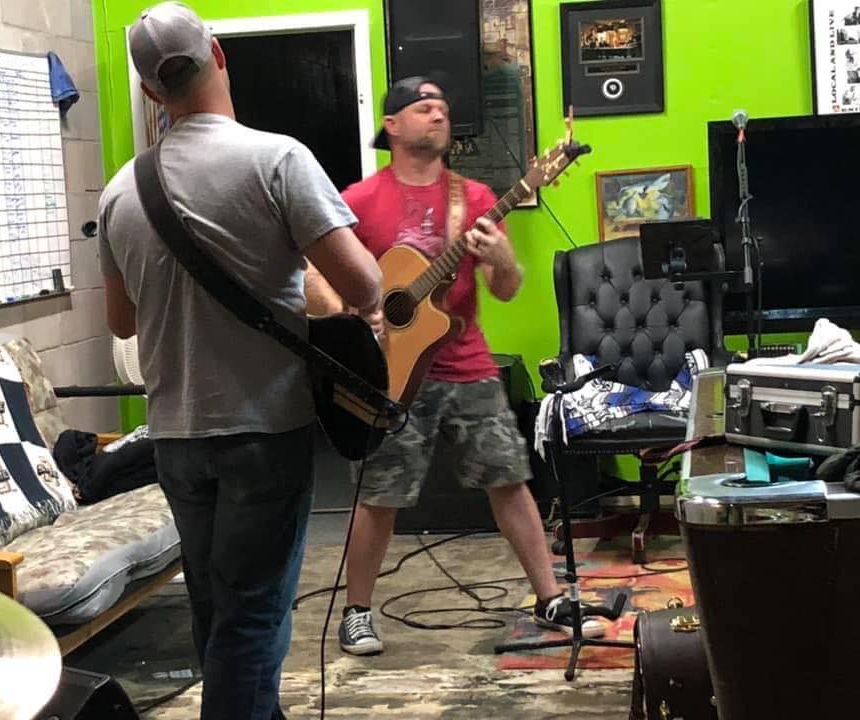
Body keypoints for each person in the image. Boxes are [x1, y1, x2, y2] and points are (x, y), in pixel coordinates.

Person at [97, 3, 382, 718]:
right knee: (253, 622)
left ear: (150, 92)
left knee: (218, 612)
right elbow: (365, 287)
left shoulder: (120, 191)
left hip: (174, 437)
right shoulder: (277, 159)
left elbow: (121, 321)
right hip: (263, 430)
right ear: (218, 55)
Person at [306, 76, 605, 656]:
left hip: (466, 361)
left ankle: (549, 598)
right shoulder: (360, 200)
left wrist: (504, 258)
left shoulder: (476, 197)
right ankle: (357, 612)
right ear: (392, 125)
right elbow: (315, 274)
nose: (438, 114)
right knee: (380, 494)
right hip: (390, 372)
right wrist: (352, 316)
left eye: (442, 107)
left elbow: (506, 288)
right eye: (424, 108)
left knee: (509, 479)